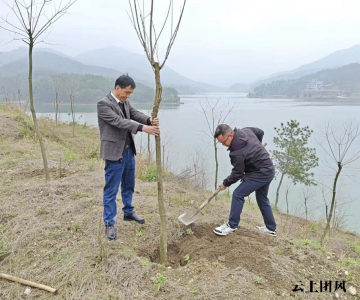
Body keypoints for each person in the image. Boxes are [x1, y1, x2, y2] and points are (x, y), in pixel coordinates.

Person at [97, 75, 160, 240]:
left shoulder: (124, 102)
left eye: (130, 93)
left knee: (129, 184)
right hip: (114, 153)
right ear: (118, 88)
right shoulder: (104, 104)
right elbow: (119, 122)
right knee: (111, 189)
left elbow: (133, 113)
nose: (128, 96)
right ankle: (109, 223)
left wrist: (148, 120)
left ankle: (128, 212)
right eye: (126, 92)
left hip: (128, 151)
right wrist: (142, 128)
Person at [213, 124, 277, 237]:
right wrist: (257, 148)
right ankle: (270, 228)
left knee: (238, 194)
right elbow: (260, 131)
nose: (223, 145)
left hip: (260, 173)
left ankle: (231, 226)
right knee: (262, 198)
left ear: (231, 135)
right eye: (221, 143)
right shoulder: (246, 131)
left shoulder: (236, 153)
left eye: (224, 142)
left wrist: (225, 183)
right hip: (268, 169)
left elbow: (238, 173)